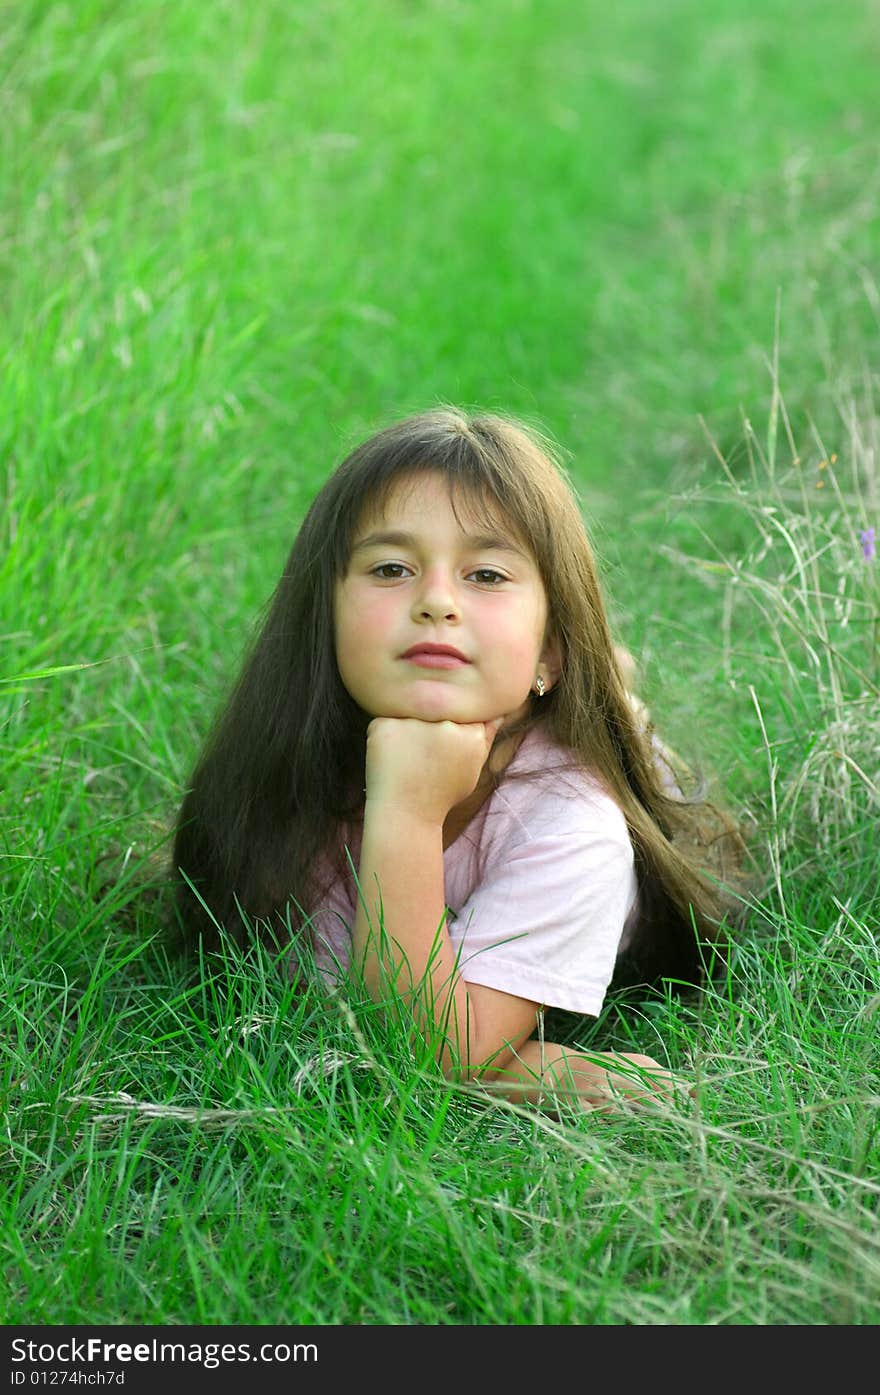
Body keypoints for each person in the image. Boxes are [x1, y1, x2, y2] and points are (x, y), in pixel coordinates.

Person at [170, 407, 747, 1114]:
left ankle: (613, 693)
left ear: (549, 650)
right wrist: (527, 1067)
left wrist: (408, 814)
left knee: (626, 737)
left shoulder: (574, 822)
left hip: (570, 759)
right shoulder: (288, 775)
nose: (436, 601)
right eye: (391, 567)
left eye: (486, 574)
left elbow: (422, 1053)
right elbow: (352, 1017)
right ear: (323, 619)